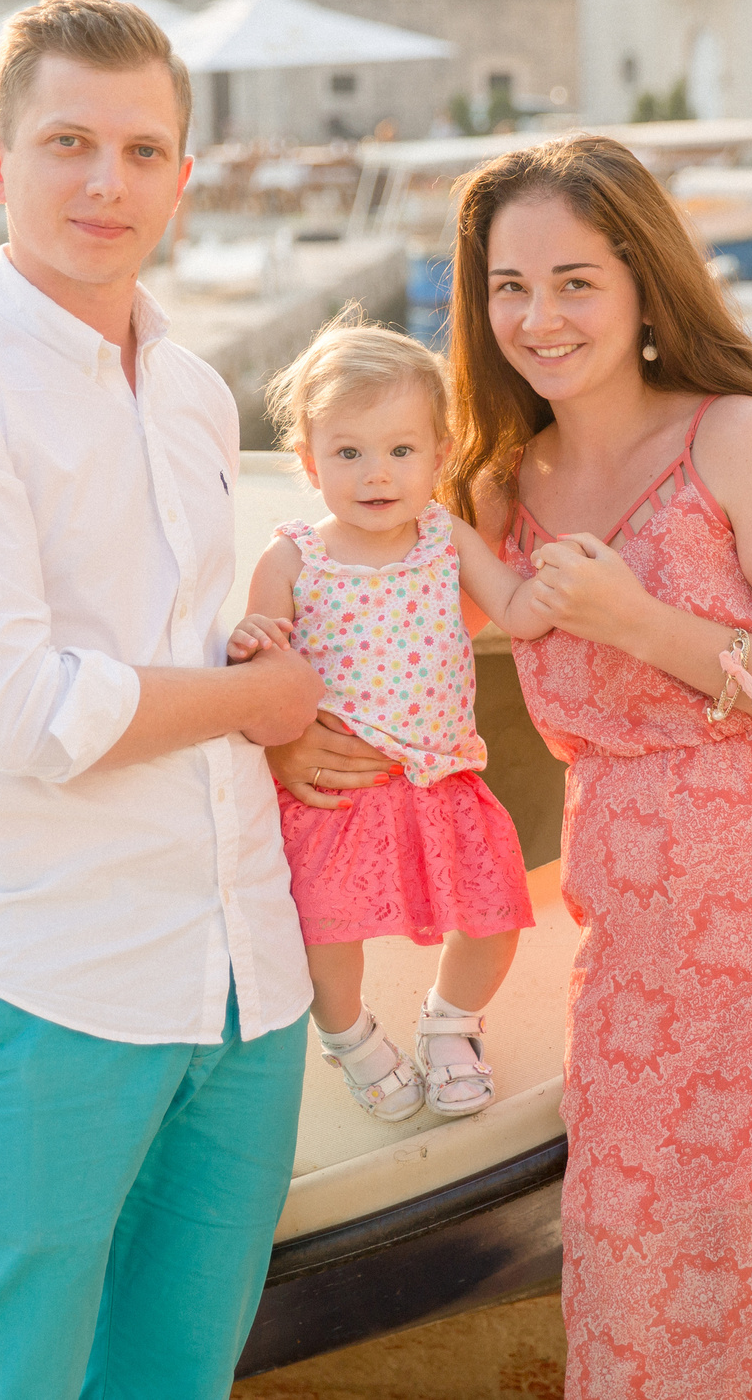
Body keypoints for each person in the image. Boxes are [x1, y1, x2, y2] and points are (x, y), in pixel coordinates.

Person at [269, 135, 752, 1397]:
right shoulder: (490, 481)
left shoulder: (732, 437)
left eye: (575, 281)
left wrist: (642, 624)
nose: (538, 316)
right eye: (507, 285)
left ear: (644, 282)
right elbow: (370, 608)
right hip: (639, 941)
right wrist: (288, 722)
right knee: (644, 1281)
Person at [0, 0, 325, 1400]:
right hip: (46, 980)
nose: (105, 182)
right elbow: (23, 710)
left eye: (141, 149)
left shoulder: (189, 389)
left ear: (183, 176)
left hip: (246, 985)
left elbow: (192, 644)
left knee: (178, 1383)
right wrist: (254, 705)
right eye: (67, 142)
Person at [228, 315, 550, 1123]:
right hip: (336, 793)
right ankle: (350, 1037)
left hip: (441, 777)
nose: (377, 474)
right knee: (325, 937)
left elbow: (512, 603)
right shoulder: (293, 557)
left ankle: (451, 1021)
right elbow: (263, 669)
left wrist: (560, 584)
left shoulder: (447, 537)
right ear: (308, 461)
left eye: (401, 450)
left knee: (495, 913)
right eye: (349, 453)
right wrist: (250, 639)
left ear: (440, 456)